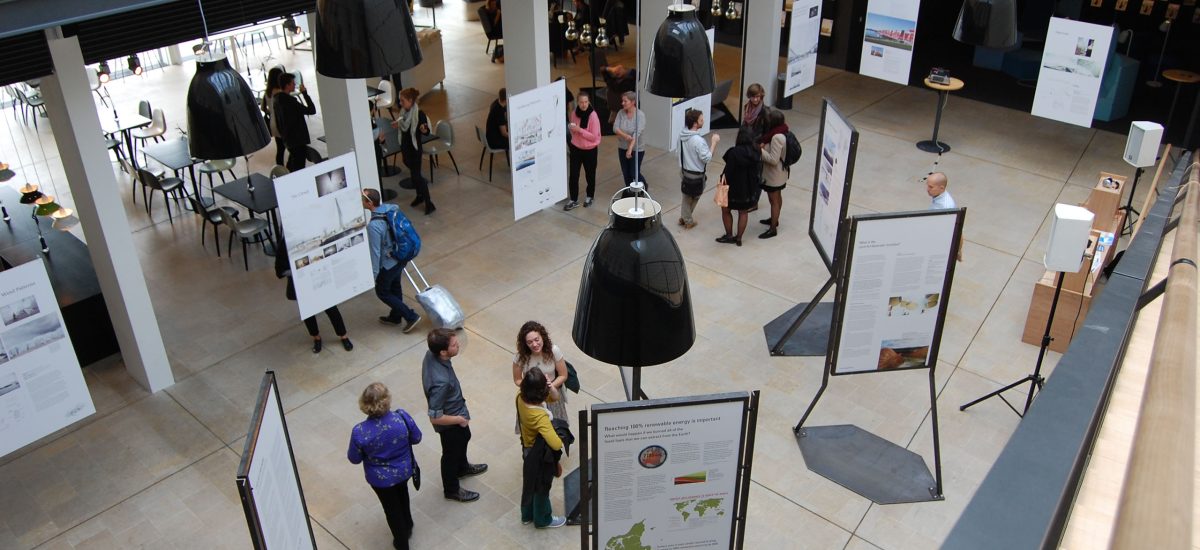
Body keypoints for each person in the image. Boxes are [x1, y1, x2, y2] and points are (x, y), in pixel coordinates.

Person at [348, 383, 422, 549]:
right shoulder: (401, 417)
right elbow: (417, 438)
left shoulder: (360, 431)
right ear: (387, 400)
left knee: (390, 508)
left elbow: (354, 458)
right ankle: (408, 525)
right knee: (403, 494)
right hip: (404, 471)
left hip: (380, 479)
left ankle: (401, 542)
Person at [422, 328, 489, 502]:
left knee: (464, 438)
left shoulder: (432, 354)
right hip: (451, 423)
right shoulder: (441, 382)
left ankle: (462, 467)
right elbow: (435, 416)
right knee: (450, 453)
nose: (458, 343)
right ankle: (451, 489)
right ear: (443, 352)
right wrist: (459, 419)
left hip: (456, 413)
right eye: (453, 344)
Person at [274, 233, 353, 353]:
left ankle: (343, 335)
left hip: (320, 277)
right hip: (302, 283)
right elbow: (280, 269)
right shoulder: (286, 242)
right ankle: (316, 337)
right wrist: (299, 271)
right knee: (308, 311)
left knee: (331, 308)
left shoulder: (315, 232)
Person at [361, 188, 422, 332]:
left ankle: (410, 316)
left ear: (369, 203)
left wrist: (375, 274)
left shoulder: (374, 226)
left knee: (382, 291)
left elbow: (375, 252)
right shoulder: (391, 209)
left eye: (363, 200)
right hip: (401, 256)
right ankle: (395, 316)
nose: (361, 202)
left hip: (389, 262)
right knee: (395, 285)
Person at [517, 368, 567, 529]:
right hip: (539, 455)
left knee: (529, 483)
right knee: (542, 488)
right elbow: (556, 443)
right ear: (539, 392)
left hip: (527, 448)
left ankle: (527, 515)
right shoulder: (539, 417)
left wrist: (549, 386)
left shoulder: (520, 397)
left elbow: (554, 397)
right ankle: (543, 519)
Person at [511, 321, 568, 426]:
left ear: (542, 337)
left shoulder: (553, 350)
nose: (535, 344)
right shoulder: (520, 357)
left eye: (537, 339)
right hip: (531, 397)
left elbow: (563, 375)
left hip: (551, 393)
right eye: (530, 342)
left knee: (557, 427)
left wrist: (549, 387)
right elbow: (517, 379)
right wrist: (531, 388)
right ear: (525, 343)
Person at [392, 87, 436, 215]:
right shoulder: (403, 113)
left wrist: (424, 129)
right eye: (400, 101)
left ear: (411, 101)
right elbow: (403, 126)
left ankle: (429, 203)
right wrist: (397, 125)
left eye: (402, 101)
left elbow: (426, 131)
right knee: (413, 175)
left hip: (415, 150)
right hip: (406, 149)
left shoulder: (419, 114)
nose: (400, 103)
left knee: (417, 177)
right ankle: (419, 196)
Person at [716, 129, 761, 246]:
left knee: (725, 210)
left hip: (733, 188)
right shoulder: (756, 152)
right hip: (748, 188)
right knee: (743, 212)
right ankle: (739, 238)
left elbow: (729, 172)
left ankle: (729, 235)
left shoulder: (733, 152)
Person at [679, 108, 720, 230]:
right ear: (696, 123)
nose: (703, 121)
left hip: (684, 171)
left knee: (686, 195)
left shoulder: (682, 135)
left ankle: (685, 217)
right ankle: (687, 219)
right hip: (696, 174)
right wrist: (714, 142)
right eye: (701, 119)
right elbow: (707, 158)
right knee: (694, 196)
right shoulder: (699, 141)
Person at [273, 72, 317, 173]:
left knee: (291, 164)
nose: (294, 85)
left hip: (288, 140)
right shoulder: (290, 102)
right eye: (293, 83)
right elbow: (311, 110)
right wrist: (305, 93)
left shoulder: (277, 100)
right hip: (298, 140)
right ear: (287, 85)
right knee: (298, 167)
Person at [565, 91, 601, 211]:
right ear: (578, 102)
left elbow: (594, 137)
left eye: (586, 102)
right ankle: (573, 199)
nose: (584, 104)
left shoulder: (593, 116)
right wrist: (572, 128)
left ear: (589, 101)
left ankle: (590, 196)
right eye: (581, 102)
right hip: (576, 148)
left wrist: (579, 130)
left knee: (590, 174)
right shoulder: (575, 113)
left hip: (590, 150)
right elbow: (573, 128)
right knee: (573, 175)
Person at [757, 109, 789, 239]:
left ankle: (773, 228)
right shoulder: (781, 131)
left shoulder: (777, 137)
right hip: (778, 174)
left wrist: (760, 150)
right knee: (776, 198)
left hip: (774, 175)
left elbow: (773, 159)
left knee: (774, 200)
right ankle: (774, 219)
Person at [612, 91, 646, 186]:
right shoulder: (620, 113)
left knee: (634, 172)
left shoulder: (640, 115)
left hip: (637, 149)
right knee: (626, 173)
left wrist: (630, 149)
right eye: (622, 101)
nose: (622, 103)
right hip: (622, 147)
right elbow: (615, 128)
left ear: (633, 102)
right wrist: (626, 136)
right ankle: (629, 191)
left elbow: (636, 134)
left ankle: (643, 186)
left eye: (625, 101)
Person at [261, 67, 286, 166]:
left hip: (273, 123)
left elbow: (263, 108)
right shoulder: (281, 92)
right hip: (282, 122)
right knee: (291, 147)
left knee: (280, 149)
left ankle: (280, 169)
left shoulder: (267, 92)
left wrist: (271, 112)